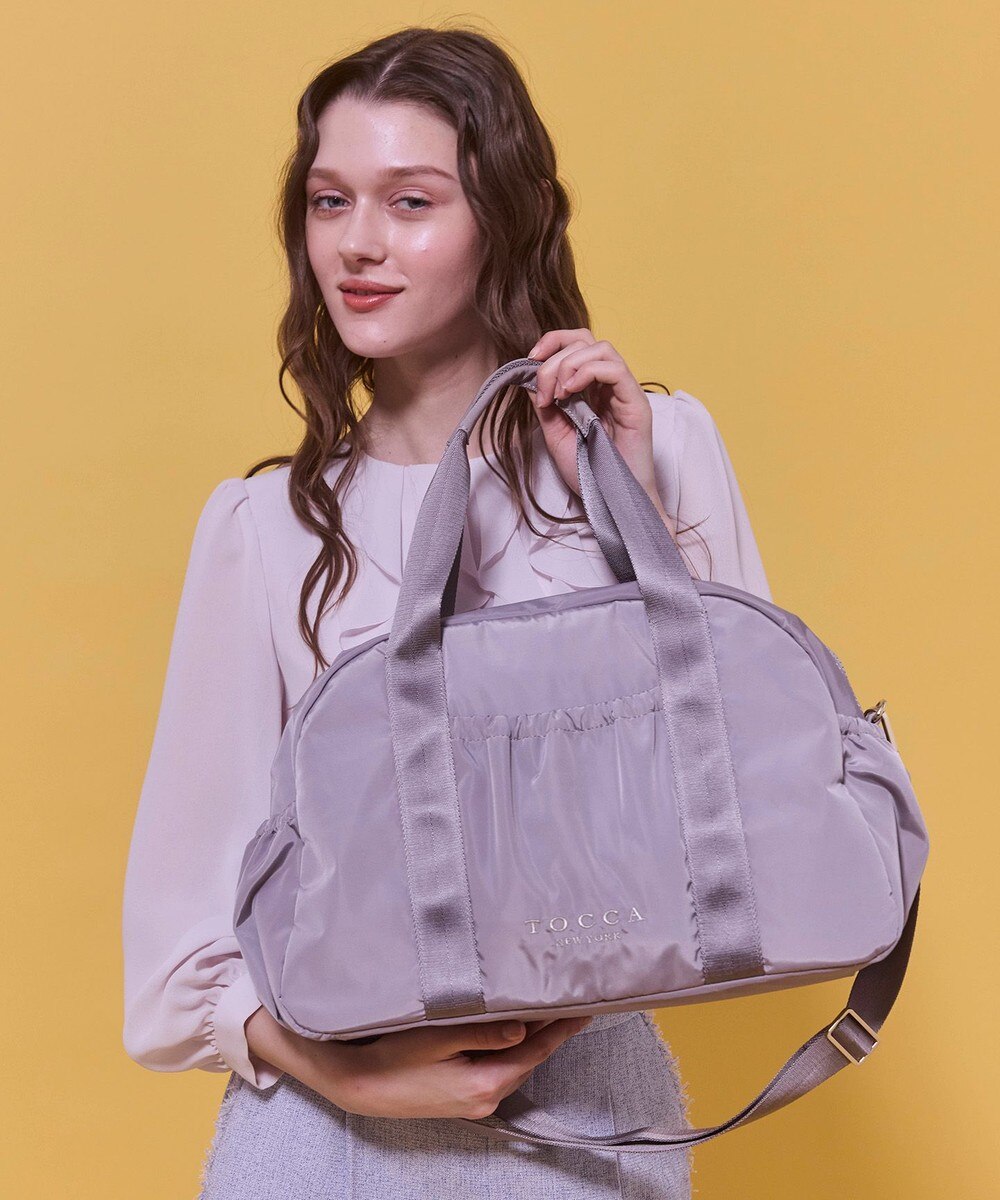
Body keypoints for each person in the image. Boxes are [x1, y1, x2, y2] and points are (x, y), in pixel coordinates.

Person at [121, 25, 773, 1200]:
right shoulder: (266, 528)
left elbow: (749, 801)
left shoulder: (658, 447)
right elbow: (180, 942)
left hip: (588, 1118)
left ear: (505, 220)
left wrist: (627, 510)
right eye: (329, 201)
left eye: (411, 201)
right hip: (326, 1136)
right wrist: (348, 1077)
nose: (357, 244)